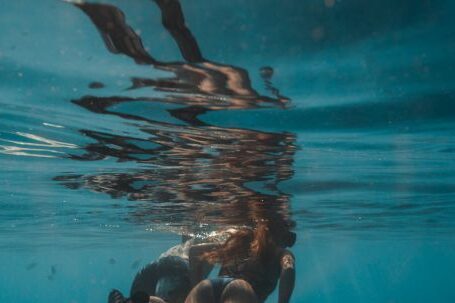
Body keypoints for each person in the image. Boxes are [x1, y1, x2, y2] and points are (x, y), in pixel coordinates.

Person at [185, 221, 296, 303]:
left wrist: (196, 286)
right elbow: (288, 269)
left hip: (206, 286)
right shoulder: (281, 253)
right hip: (241, 290)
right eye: (289, 239)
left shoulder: (241, 244)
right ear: (280, 236)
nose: (288, 244)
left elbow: (194, 251)